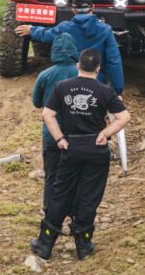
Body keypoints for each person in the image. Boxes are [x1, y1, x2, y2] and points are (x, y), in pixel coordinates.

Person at [30, 49, 130, 260]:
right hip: (96, 149)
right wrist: (105, 133)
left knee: (61, 193)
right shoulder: (105, 91)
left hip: (70, 147)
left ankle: (45, 244)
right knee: (89, 195)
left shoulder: (63, 88)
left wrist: (59, 139)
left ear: (78, 65)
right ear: (98, 68)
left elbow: (47, 115)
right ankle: (83, 246)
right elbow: (123, 117)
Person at [14, 0, 124, 94]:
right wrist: (117, 90)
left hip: (70, 84)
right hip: (97, 84)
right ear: (93, 7)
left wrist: (32, 30)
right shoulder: (105, 30)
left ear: (73, 10)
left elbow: (48, 34)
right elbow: (114, 62)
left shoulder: (65, 27)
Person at [31, 34, 79, 215]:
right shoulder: (81, 73)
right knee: (75, 177)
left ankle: (50, 213)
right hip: (76, 136)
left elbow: (36, 102)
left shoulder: (45, 75)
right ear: (75, 51)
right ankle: (74, 214)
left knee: (51, 176)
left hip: (51, 135)